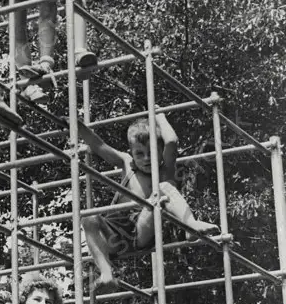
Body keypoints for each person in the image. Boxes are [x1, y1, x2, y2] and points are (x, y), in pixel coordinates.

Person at [79, 113, 220, 287]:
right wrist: (76, 125)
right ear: (131, 152)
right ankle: (106, 272)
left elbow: (171, 142)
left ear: (160, 153)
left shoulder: (164, 170)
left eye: (151, 153)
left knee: (164, 187)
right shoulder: (126, 162)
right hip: (114, 233)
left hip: (141, 231)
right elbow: (97, 144)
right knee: (89, 219)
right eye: (140, 153)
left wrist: (159, 115)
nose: (146, 158)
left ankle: (190, 224)